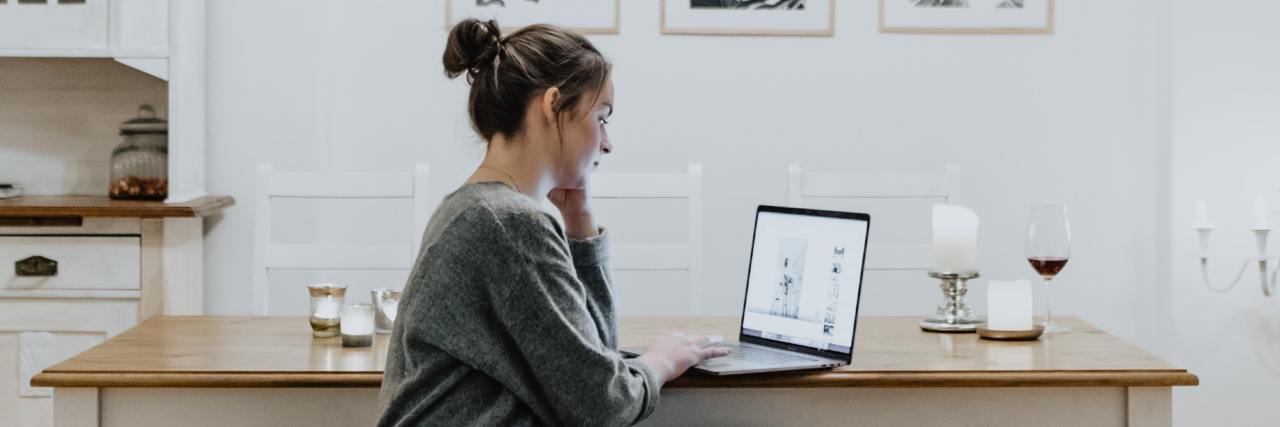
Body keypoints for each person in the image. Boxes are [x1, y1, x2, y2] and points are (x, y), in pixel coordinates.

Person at [377, 19, 730, 426]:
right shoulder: (508, 224)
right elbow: (604, 406)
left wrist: (579, 221)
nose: (607, 144)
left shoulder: (472, 208)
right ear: (552, 106)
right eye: (602, 118)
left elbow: (593, 366)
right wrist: (661, 361)